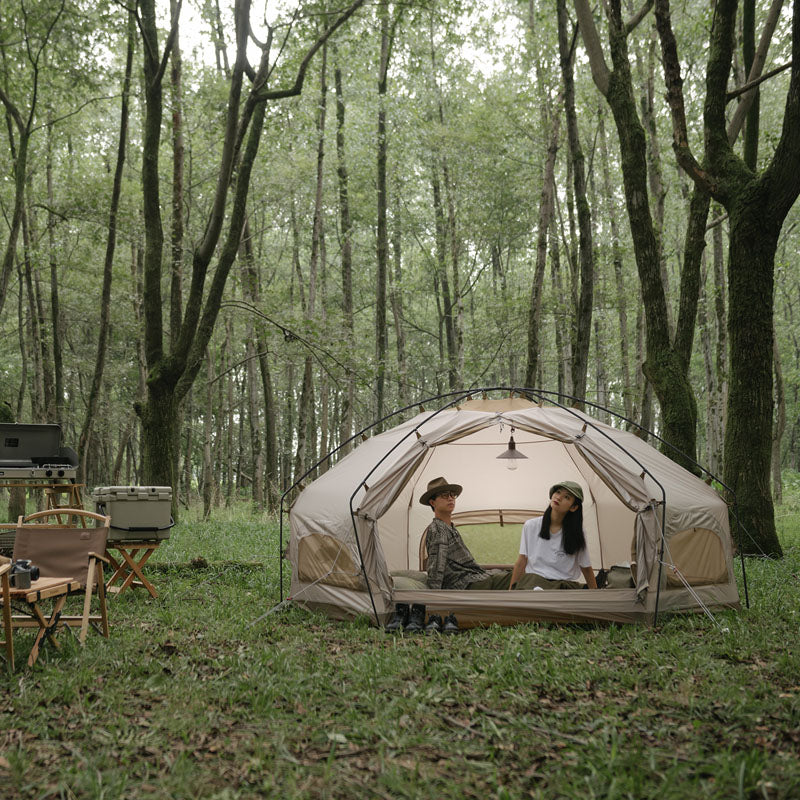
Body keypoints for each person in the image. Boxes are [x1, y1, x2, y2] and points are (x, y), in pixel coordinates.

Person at [420, 477, 511, 590]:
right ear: (432, 502)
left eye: (452, 495)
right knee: (521, 577)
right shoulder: (438, 529)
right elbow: (436, 567)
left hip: (474, 579)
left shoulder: (450, 528)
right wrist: (435, 599)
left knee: (516, 574)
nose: (450, 498)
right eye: (444, 495)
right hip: (465, 585)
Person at [508, 481, 598, 590]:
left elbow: (586, 567)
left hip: (562, 585)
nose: (558, 497)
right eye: (558, 492)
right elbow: (522, 561)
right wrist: (511, 591)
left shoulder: (578, 532)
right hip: (533, 581)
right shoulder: (531, 525)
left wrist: (595, 594)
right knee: (529, 583)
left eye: (566, 497)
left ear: (573, 507)